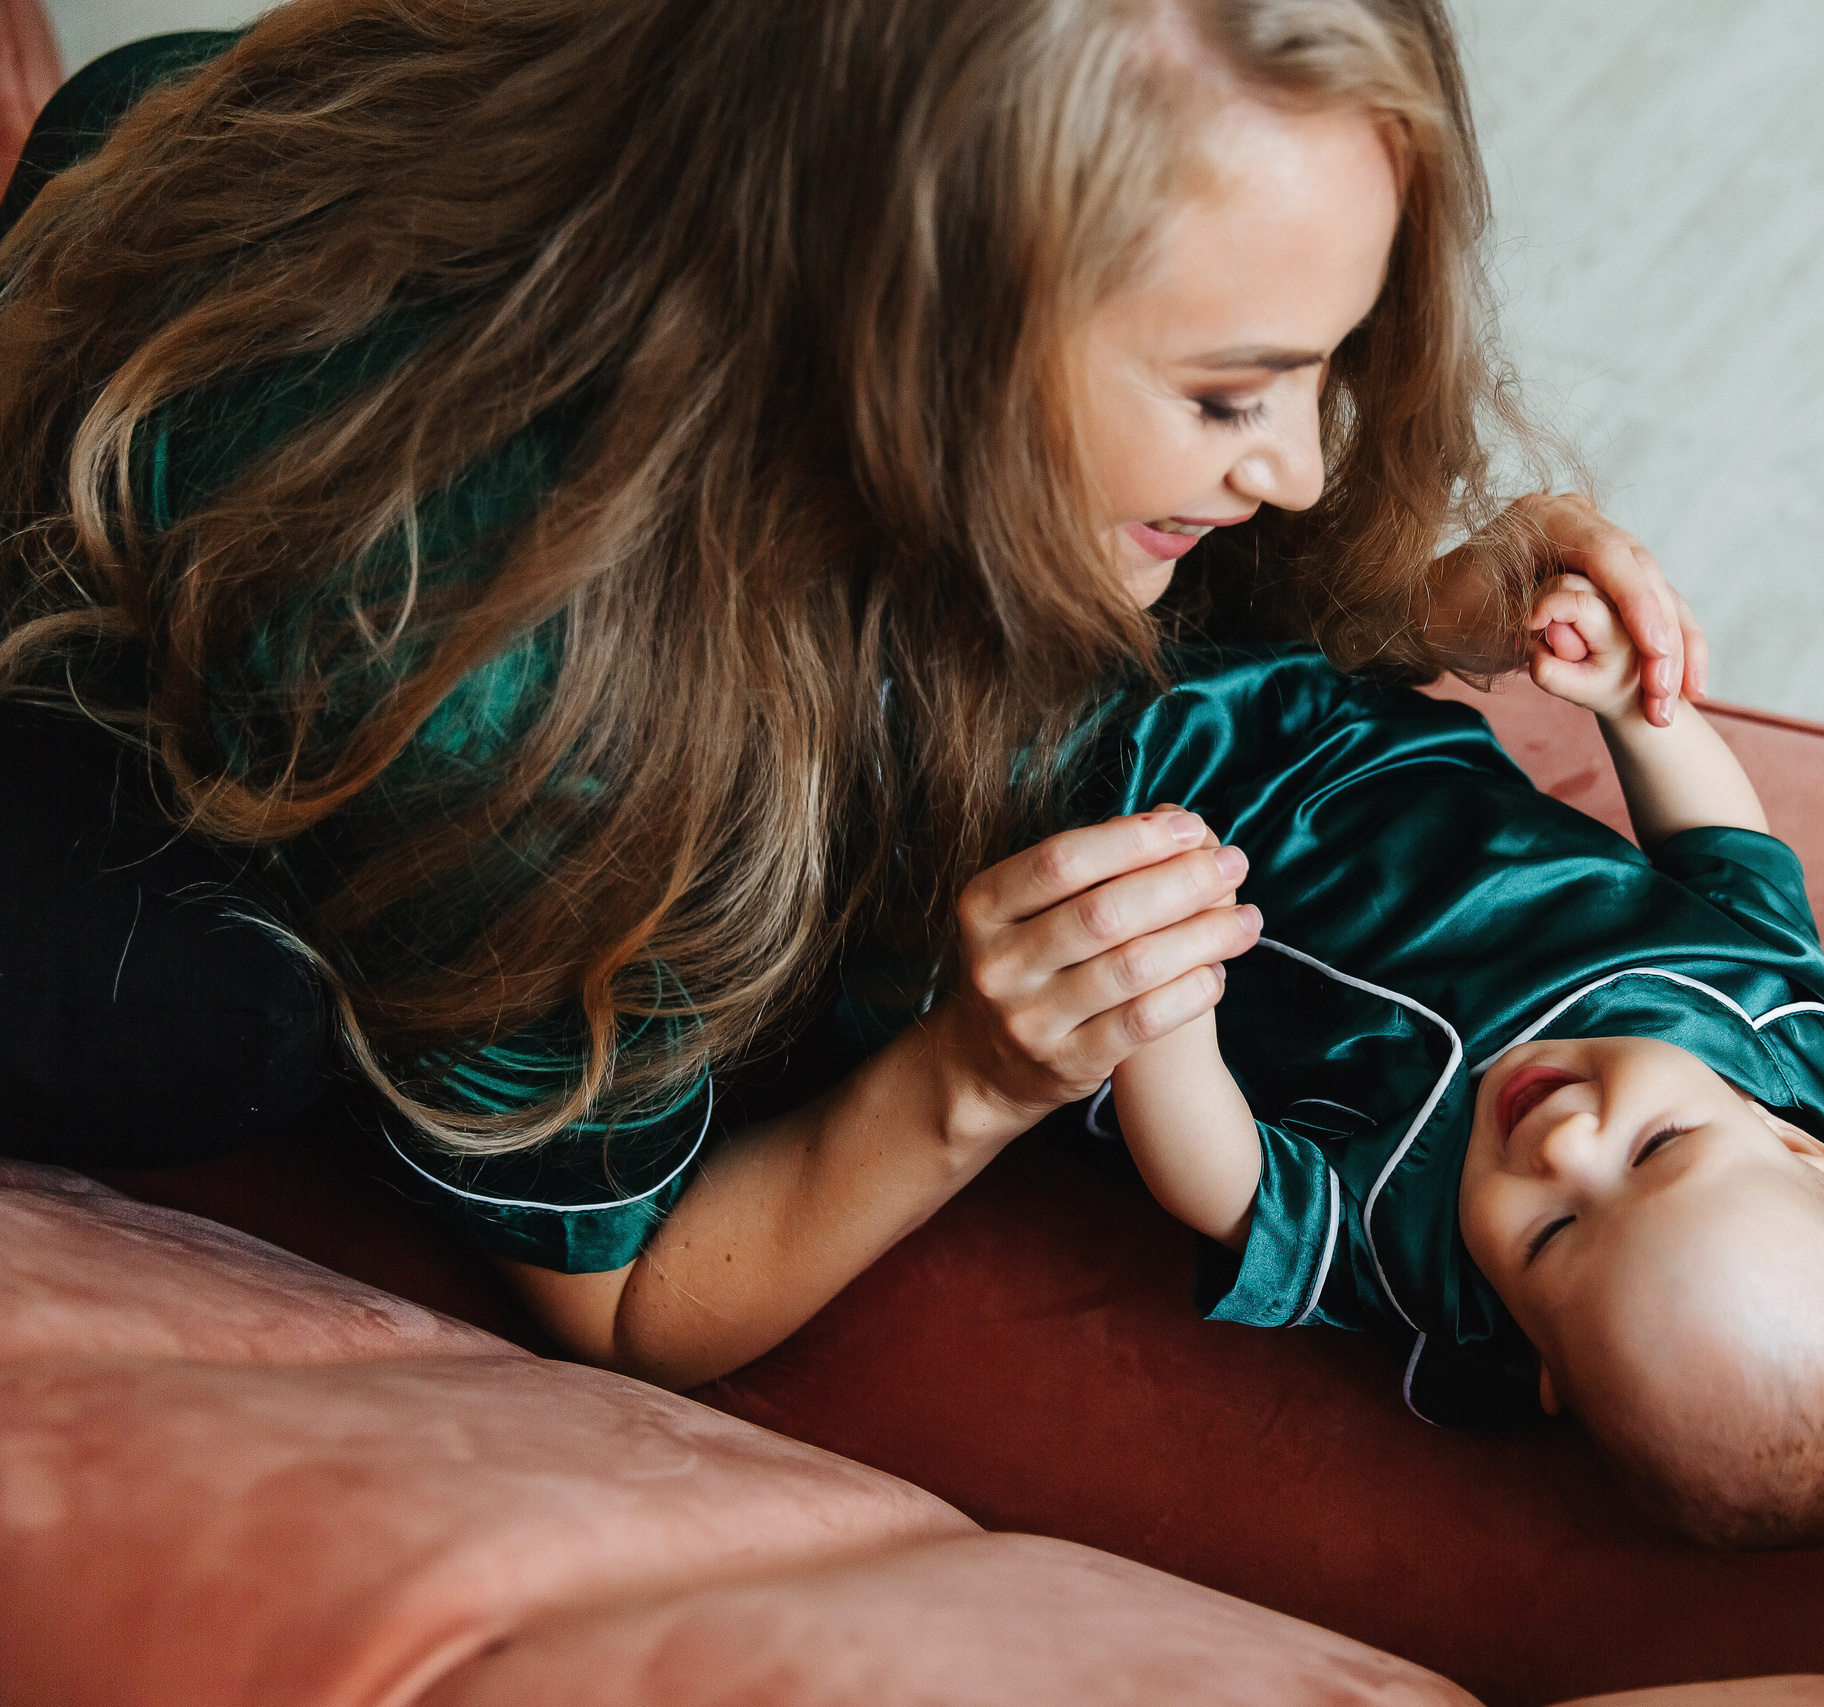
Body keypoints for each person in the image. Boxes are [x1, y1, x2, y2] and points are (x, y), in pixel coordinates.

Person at [0, 0, 1718, 1388]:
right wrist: (975, 1070)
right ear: (908, 335)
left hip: (196, 227)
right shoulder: (520, 709)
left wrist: (1429, 603)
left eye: (1328, 360)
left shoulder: (743, 100)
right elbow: (631, 1310)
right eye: (1227, 394)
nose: (1291, 466)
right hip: (121, 708)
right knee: (202, 1016)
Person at [1060, 583, 1824, 1548]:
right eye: (1659, 1147)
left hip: (1098, 847)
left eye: (1554, 1236)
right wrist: (1634, 709)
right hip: (1338, 722)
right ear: (1791, 1138)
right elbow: (1727, 852)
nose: (1564, 1147)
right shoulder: (1778, 1025)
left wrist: (1163, 1007)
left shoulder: (1436, 1281)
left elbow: (1229, 1188)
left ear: (1542, 1363)